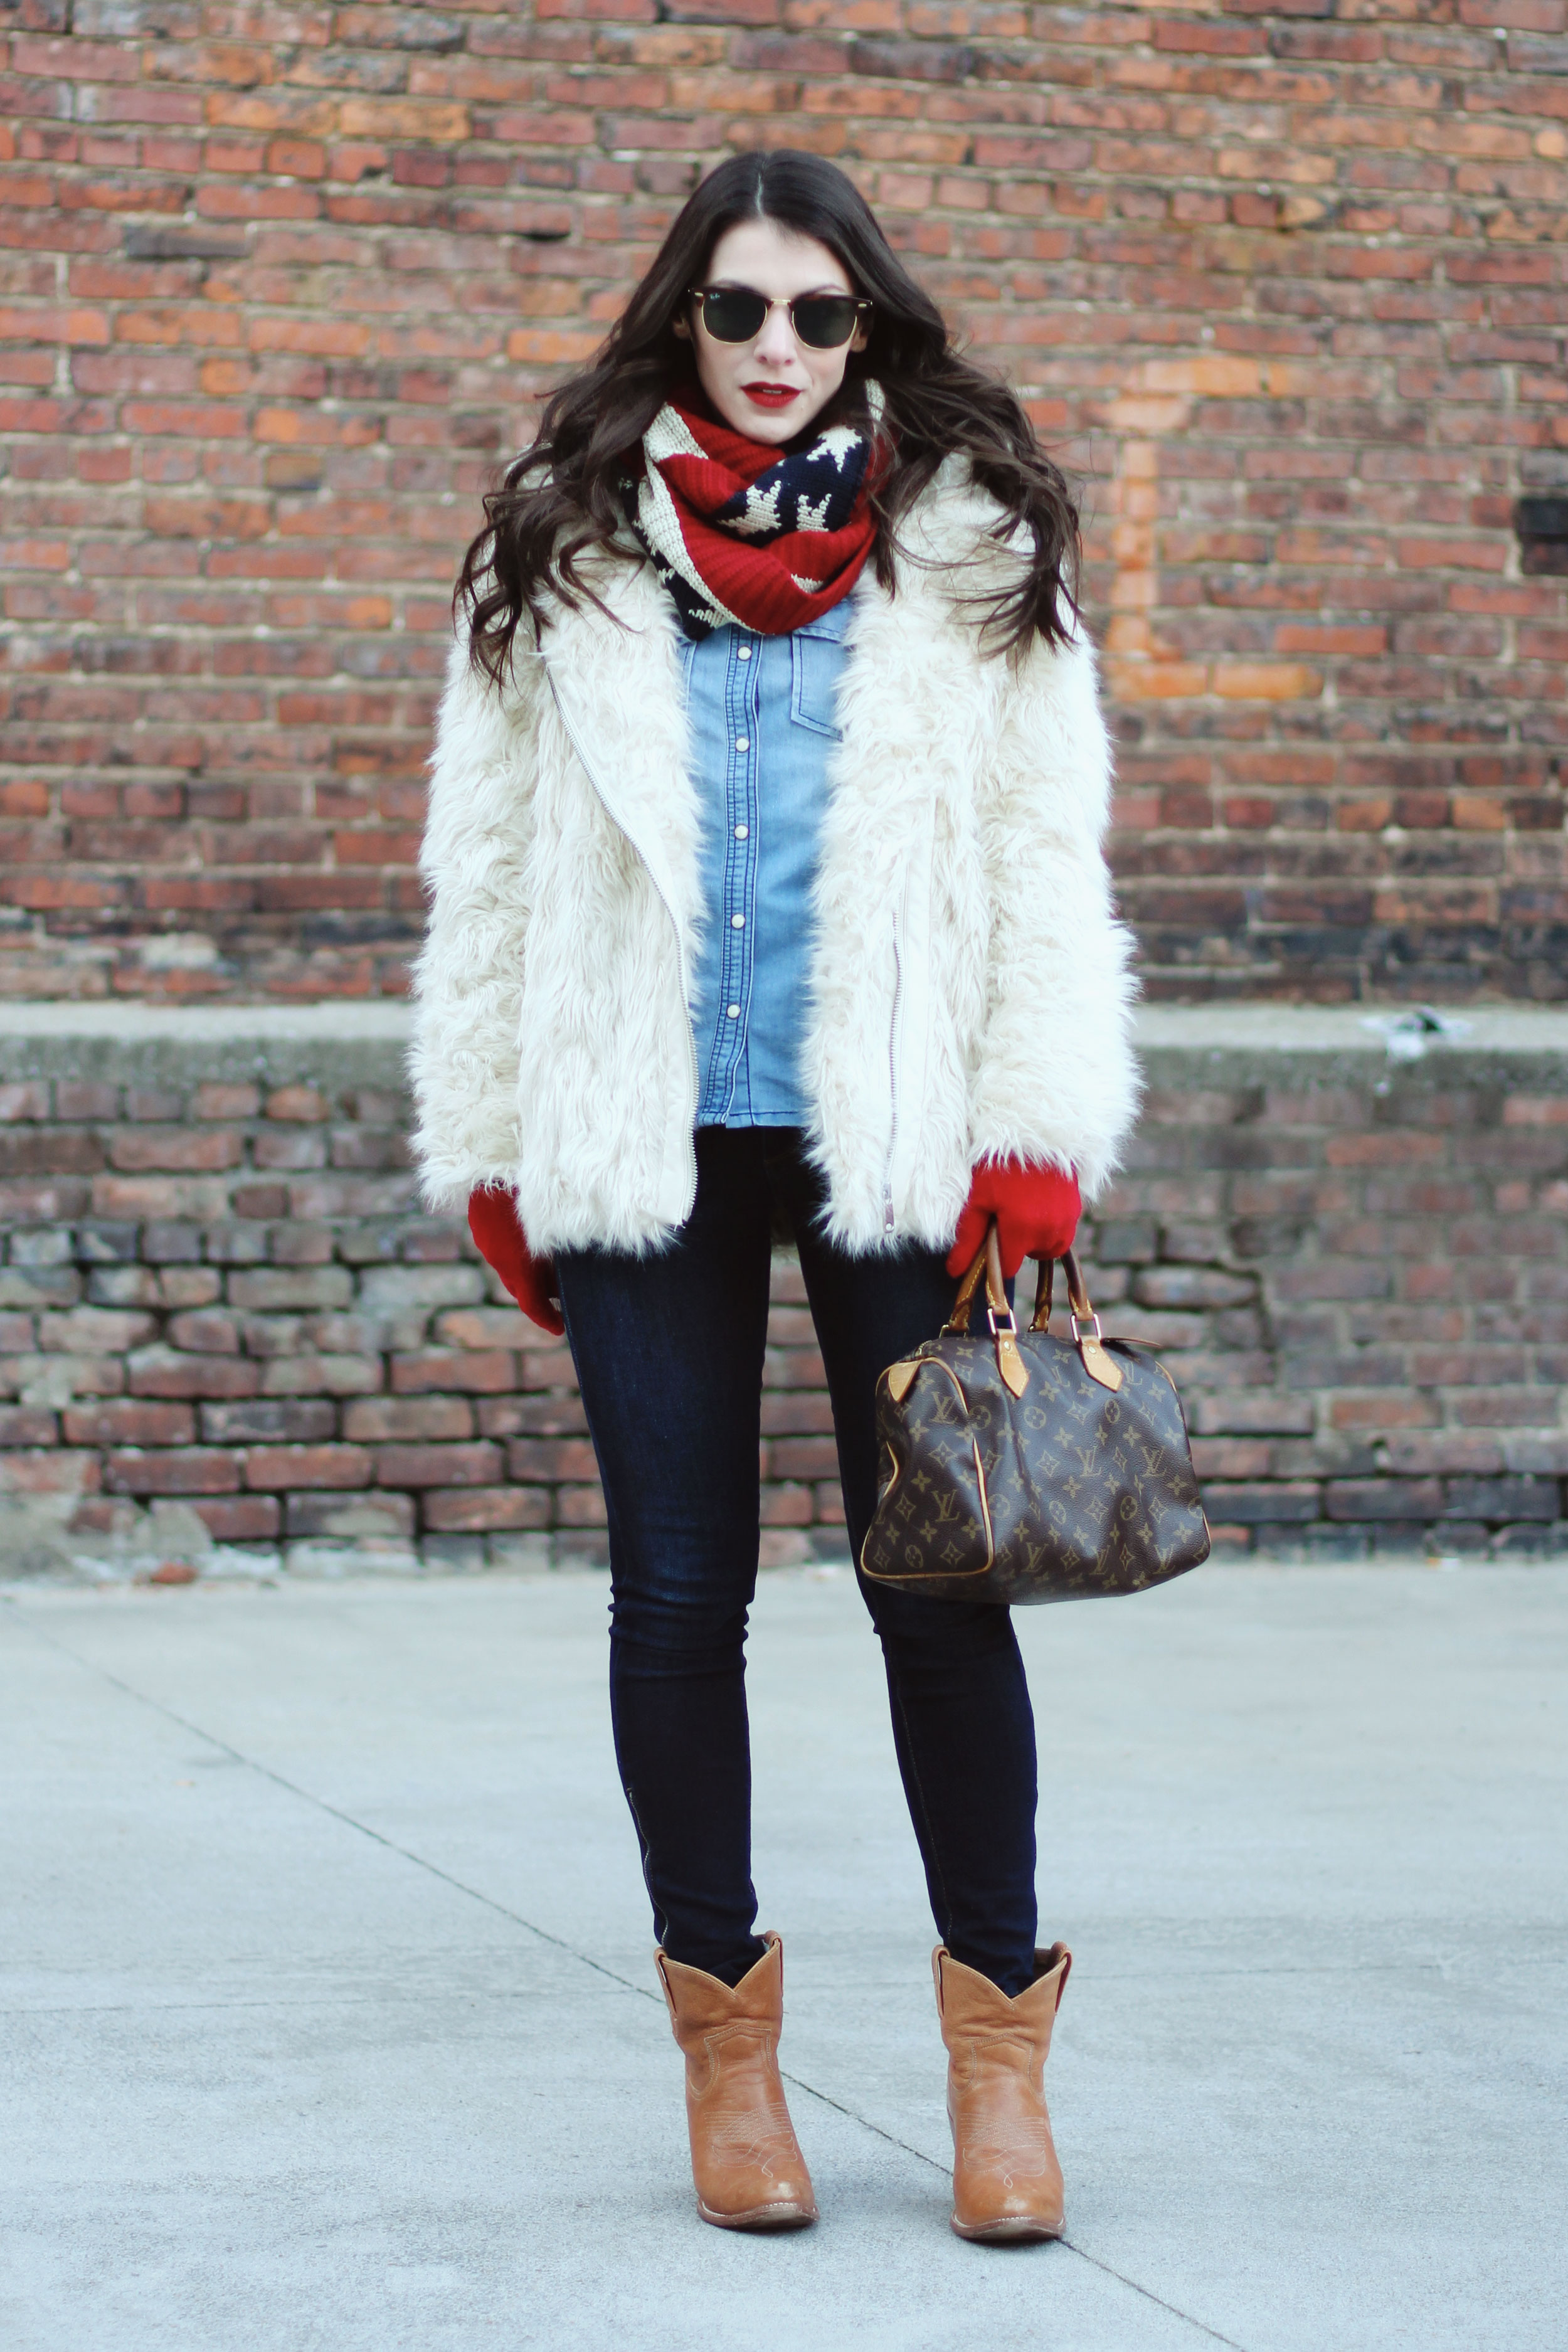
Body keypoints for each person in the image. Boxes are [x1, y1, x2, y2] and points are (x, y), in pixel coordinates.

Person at [411, 149, 1137, 2245]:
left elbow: (1032, 859)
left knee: (938, 1589)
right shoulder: (560, 549)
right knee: (673, 1595)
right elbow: (495, 869)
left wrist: (1034, 1122)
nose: (776, 352)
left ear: (865, 330)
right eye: (738, 312)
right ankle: (731, 2073)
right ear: (682, 322)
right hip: (640, 1142)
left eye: (818, 317)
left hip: (893, 1136)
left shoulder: (973, 546)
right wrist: (490, 1141)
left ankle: (997, 2071)